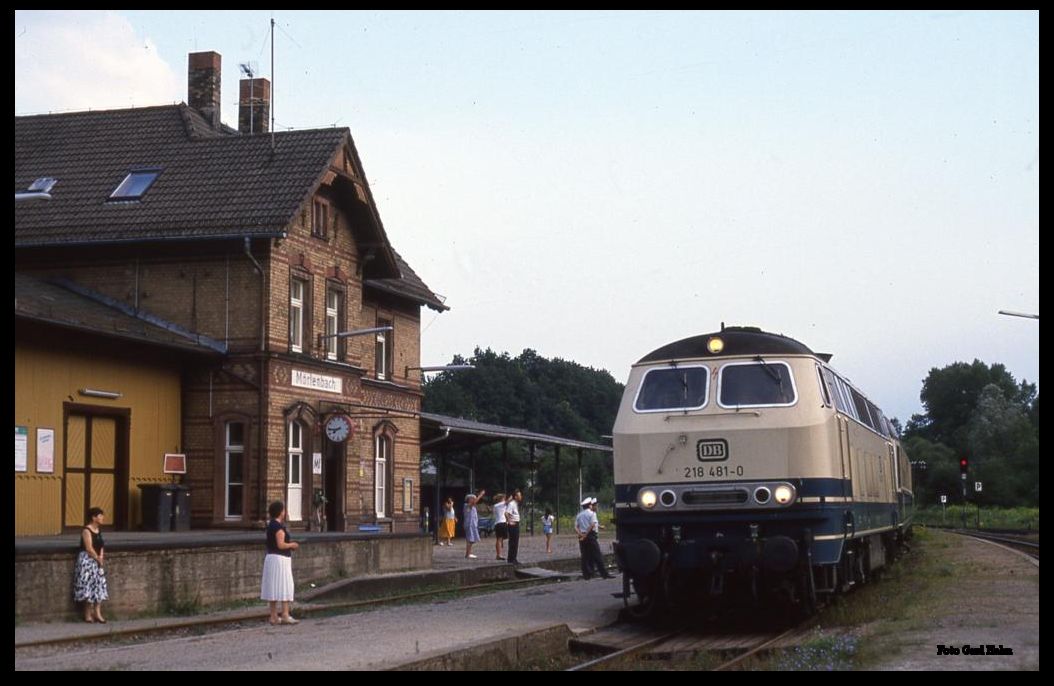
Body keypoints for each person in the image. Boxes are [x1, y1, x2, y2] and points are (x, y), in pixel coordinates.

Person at [261, 500, 300, 625]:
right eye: (283, 510)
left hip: (271, 558)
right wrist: (292, 545)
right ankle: (285, 614)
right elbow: (281, 545)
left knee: (273, 586)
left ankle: (273, 616)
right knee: (285, 584)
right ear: (280, 512)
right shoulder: (278, 528)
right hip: (280, 560)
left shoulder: (270, 525)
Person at [74, 507, 109, 623]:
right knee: (88, 585)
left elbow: (101, 545)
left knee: (99, 585)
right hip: (87, 561)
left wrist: (101, 557)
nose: (102, 518)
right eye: (100, 515)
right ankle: (88, 613)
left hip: (97, 561)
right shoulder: (86, 531)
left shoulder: (98, 530)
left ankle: (98, 612)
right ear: (93, 517)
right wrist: (97, 558)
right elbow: (89, 548)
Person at [575, 497, 612, 579]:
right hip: (591, 536)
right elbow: (592, 525)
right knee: (597, 555)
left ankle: (586, 575)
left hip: (581, 537)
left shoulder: (579, 515)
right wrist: (586, 535)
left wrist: (581, 535)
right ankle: (604, 574)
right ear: (590, 505)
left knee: (585, 556)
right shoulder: (592, 514)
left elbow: (576, 527)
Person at [463, 488, 485, 559]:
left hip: (473, 525)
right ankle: (468, 554)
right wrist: (480, 495)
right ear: (469, 499)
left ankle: (468, 553)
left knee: (472, 539)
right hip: (469, 524)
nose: (473, 500)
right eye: (472, 498)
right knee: (470, 539)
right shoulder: (466, 505)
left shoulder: (473, 507)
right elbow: (473, 503)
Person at [505, 489, 522, 564]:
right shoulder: (512, 504)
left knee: (514, 541)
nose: (521, 497)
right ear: (515, 497)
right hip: (513, 525)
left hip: (515, 523)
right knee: (513, 542)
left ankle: (511, 558)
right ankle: (512, 558)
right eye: (519, 495)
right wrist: (509, 521)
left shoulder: (515, 504)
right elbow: (506, 513)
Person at [492, 493, 508, 560]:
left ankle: (499, 553)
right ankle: (498, 554)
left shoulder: (501, 506)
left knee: (501, 539)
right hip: (500, 523)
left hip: (502, 523)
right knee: (499, 539)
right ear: (501, 499)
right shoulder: (498, 505)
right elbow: (508, 501)